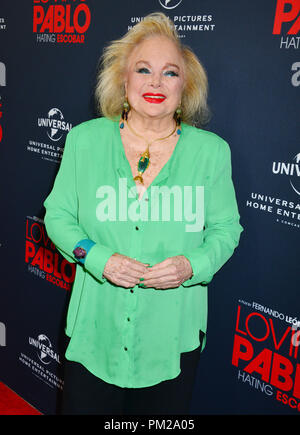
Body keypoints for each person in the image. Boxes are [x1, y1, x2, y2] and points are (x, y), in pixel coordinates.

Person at [43, 12, 243, 415]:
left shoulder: (212, 152)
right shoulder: (84, 141)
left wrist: (192, 264)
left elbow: (226, 228)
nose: (155, 82)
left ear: (185, 86)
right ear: (123, 79)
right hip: (94, 336)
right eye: (143, 69)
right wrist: (98, 257)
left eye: (170, 72)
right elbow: (58, 217)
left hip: (170, 339)